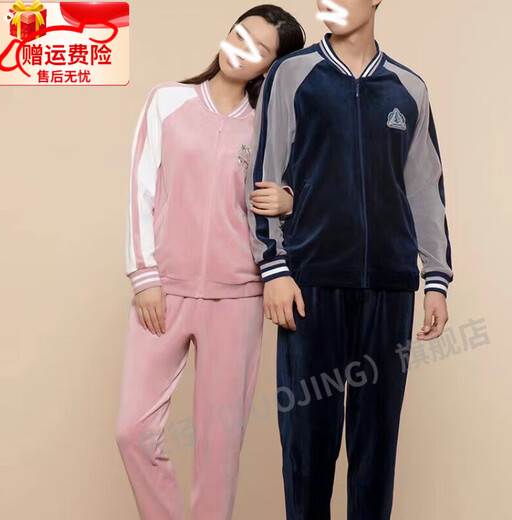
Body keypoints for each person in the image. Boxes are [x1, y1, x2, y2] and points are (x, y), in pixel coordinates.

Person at [245, 0, 454, 518]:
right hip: (310, 284)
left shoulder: (409, 89)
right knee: (307, 446)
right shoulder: (292, 75)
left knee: (377, 447)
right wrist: (274, 267)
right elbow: (265, 175)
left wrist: (436, 278)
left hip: (390, 286)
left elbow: (424, 188)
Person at [115, 6, 305, 520]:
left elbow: (301, 197)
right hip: (164, 292)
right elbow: (140, 190)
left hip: (238, 299)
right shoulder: (167, 101)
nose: (242, 49)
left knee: (218, 450)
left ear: (270, 67)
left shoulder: (269, 127)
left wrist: (292, 200)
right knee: (133, 430)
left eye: (260, 48)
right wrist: (145, 277)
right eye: (240, 34)